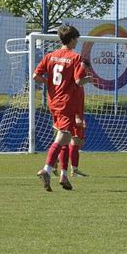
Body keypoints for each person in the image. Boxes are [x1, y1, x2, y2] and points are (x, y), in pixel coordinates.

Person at [33, 25, 92, 191]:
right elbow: (79, 81)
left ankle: (64, 175)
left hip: (54, 102)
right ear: (72, 39)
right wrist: (89, 79)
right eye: (77, 40)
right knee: (64, 137)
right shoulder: (75, 57)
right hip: (67, 103)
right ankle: (46, 169)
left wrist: (49, 83)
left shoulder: (50, 56)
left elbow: (35, 76)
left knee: (65, 138)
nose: (77, 43)